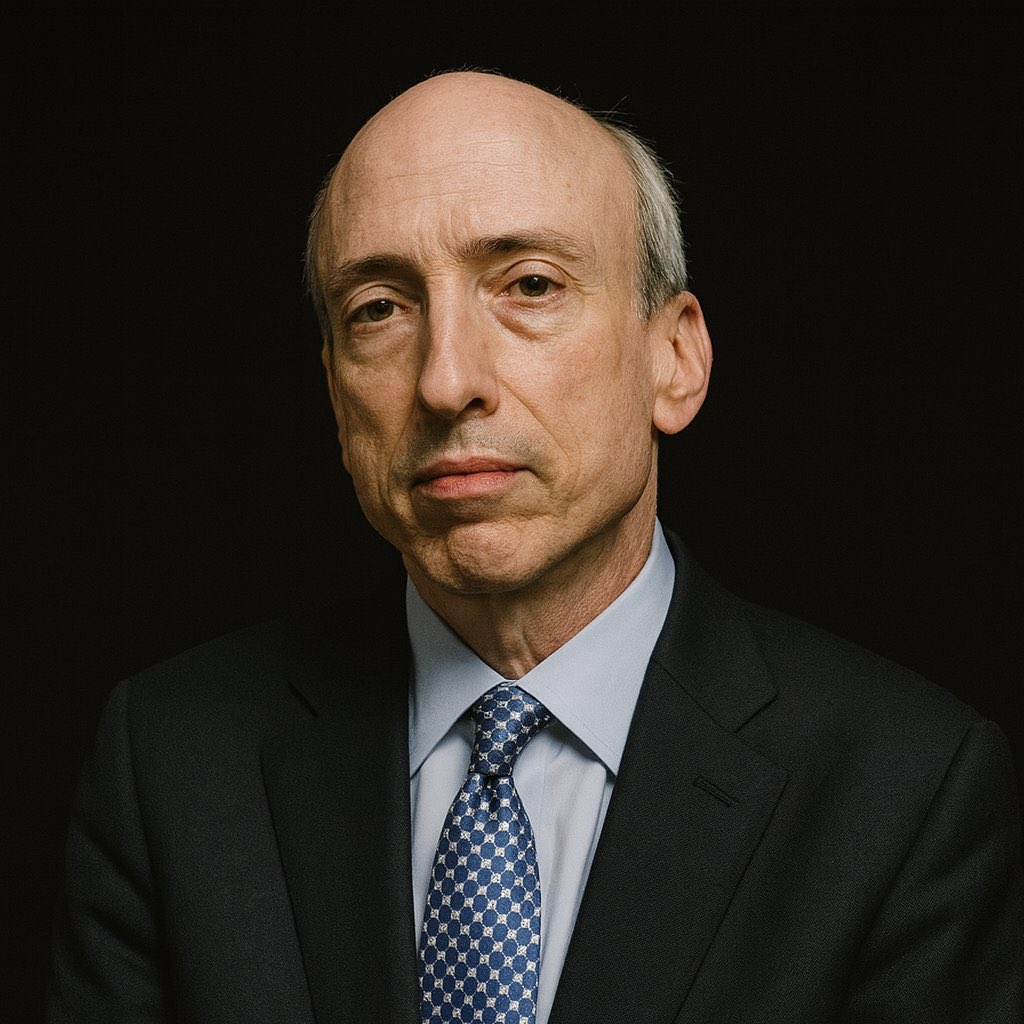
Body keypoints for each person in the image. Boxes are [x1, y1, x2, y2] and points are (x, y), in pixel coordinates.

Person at [49, 71, 1022, 1023]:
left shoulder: (908, 789)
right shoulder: (171, 761)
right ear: (337, 399)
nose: (445, 381)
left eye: (529, 284)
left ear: (674, 359)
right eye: (379, 307)